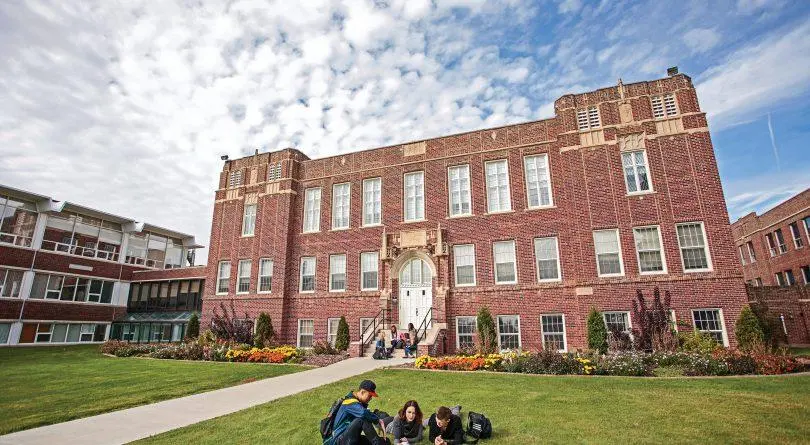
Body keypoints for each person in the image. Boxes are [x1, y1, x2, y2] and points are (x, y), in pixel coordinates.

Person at [325, 380, 387, 445]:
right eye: (370, 396)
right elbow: (363, 413)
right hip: (337, 441)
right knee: (362, 419)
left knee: (384, 441)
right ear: (362, 392)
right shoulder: (349, 402)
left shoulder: (356, 403)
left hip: (347, 437)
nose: (371, 398)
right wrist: (378, 420)